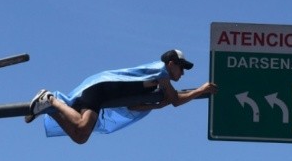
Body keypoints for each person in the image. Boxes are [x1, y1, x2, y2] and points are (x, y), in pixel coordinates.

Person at [25, 49, 218, 144]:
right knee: (83, 127)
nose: (182, 73)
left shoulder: (154, 84)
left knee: (81, 137)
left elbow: (134, 107)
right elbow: (175, 100)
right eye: (181, 68)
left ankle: (49, 107)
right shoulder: (160, 72)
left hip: (101, 96)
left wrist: (158, 106)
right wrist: (200, 90)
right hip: (99, 89)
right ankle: (51, 99)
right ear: (171, 63)